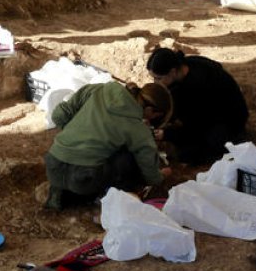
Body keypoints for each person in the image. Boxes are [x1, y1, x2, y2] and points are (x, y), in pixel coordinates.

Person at [44, 82, 173, 210]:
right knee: (127, 159)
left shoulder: (100, 89)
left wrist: (77, 132)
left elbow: (58, 114)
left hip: (53, 164)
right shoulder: (138, 128)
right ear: (150, 110)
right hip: (85, 178)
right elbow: (149, 170)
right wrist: (160, 176)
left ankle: (59, 188)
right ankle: (95, 197)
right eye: (155, 116)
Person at [146, 48, 249, 164]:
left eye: (158, 78)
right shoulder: (187, 63)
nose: (155, 82)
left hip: (229, 119)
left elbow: (197, 127)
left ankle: (236, 139)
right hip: (211, 112)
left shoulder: (197, 87)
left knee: (187, 154)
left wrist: (167, 134)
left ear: (173, 72)